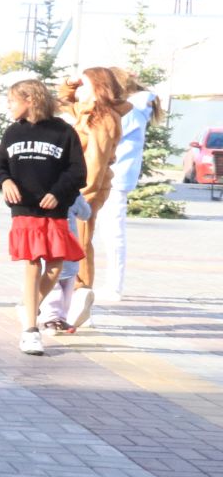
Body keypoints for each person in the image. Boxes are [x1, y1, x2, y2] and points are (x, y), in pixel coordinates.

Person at [0, 78, 85, 356]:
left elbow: (78, 173)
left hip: (54, 210)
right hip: (24, 211)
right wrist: (4, 181)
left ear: (30, 99)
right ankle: (31, 330)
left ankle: (28, 306)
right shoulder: (12, 133)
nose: (9, 107)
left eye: (12, 101)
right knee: (32, 263)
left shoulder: (63, 132)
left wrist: (58, 192)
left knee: (54, 265)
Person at [38, 67, 130, 333]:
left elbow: (96, 163)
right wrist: (70, 82)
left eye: (85, 85)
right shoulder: (90, 111)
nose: (80, 90)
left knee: (79, 243)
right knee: (76, 243)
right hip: (79, 190)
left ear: (98, 87)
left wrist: (80, 198)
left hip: (86, 191)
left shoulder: (104, 119)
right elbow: (62, 101)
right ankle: (72, 301)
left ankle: (80, 298)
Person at [102, 68, 162, 303]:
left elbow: (112, 134)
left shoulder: (132, 110)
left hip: (117, 176)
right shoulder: (136, 107)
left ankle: (114, 286)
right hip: (117, 174)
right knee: (110, 232)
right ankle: (112, 283)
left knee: (113, 232)